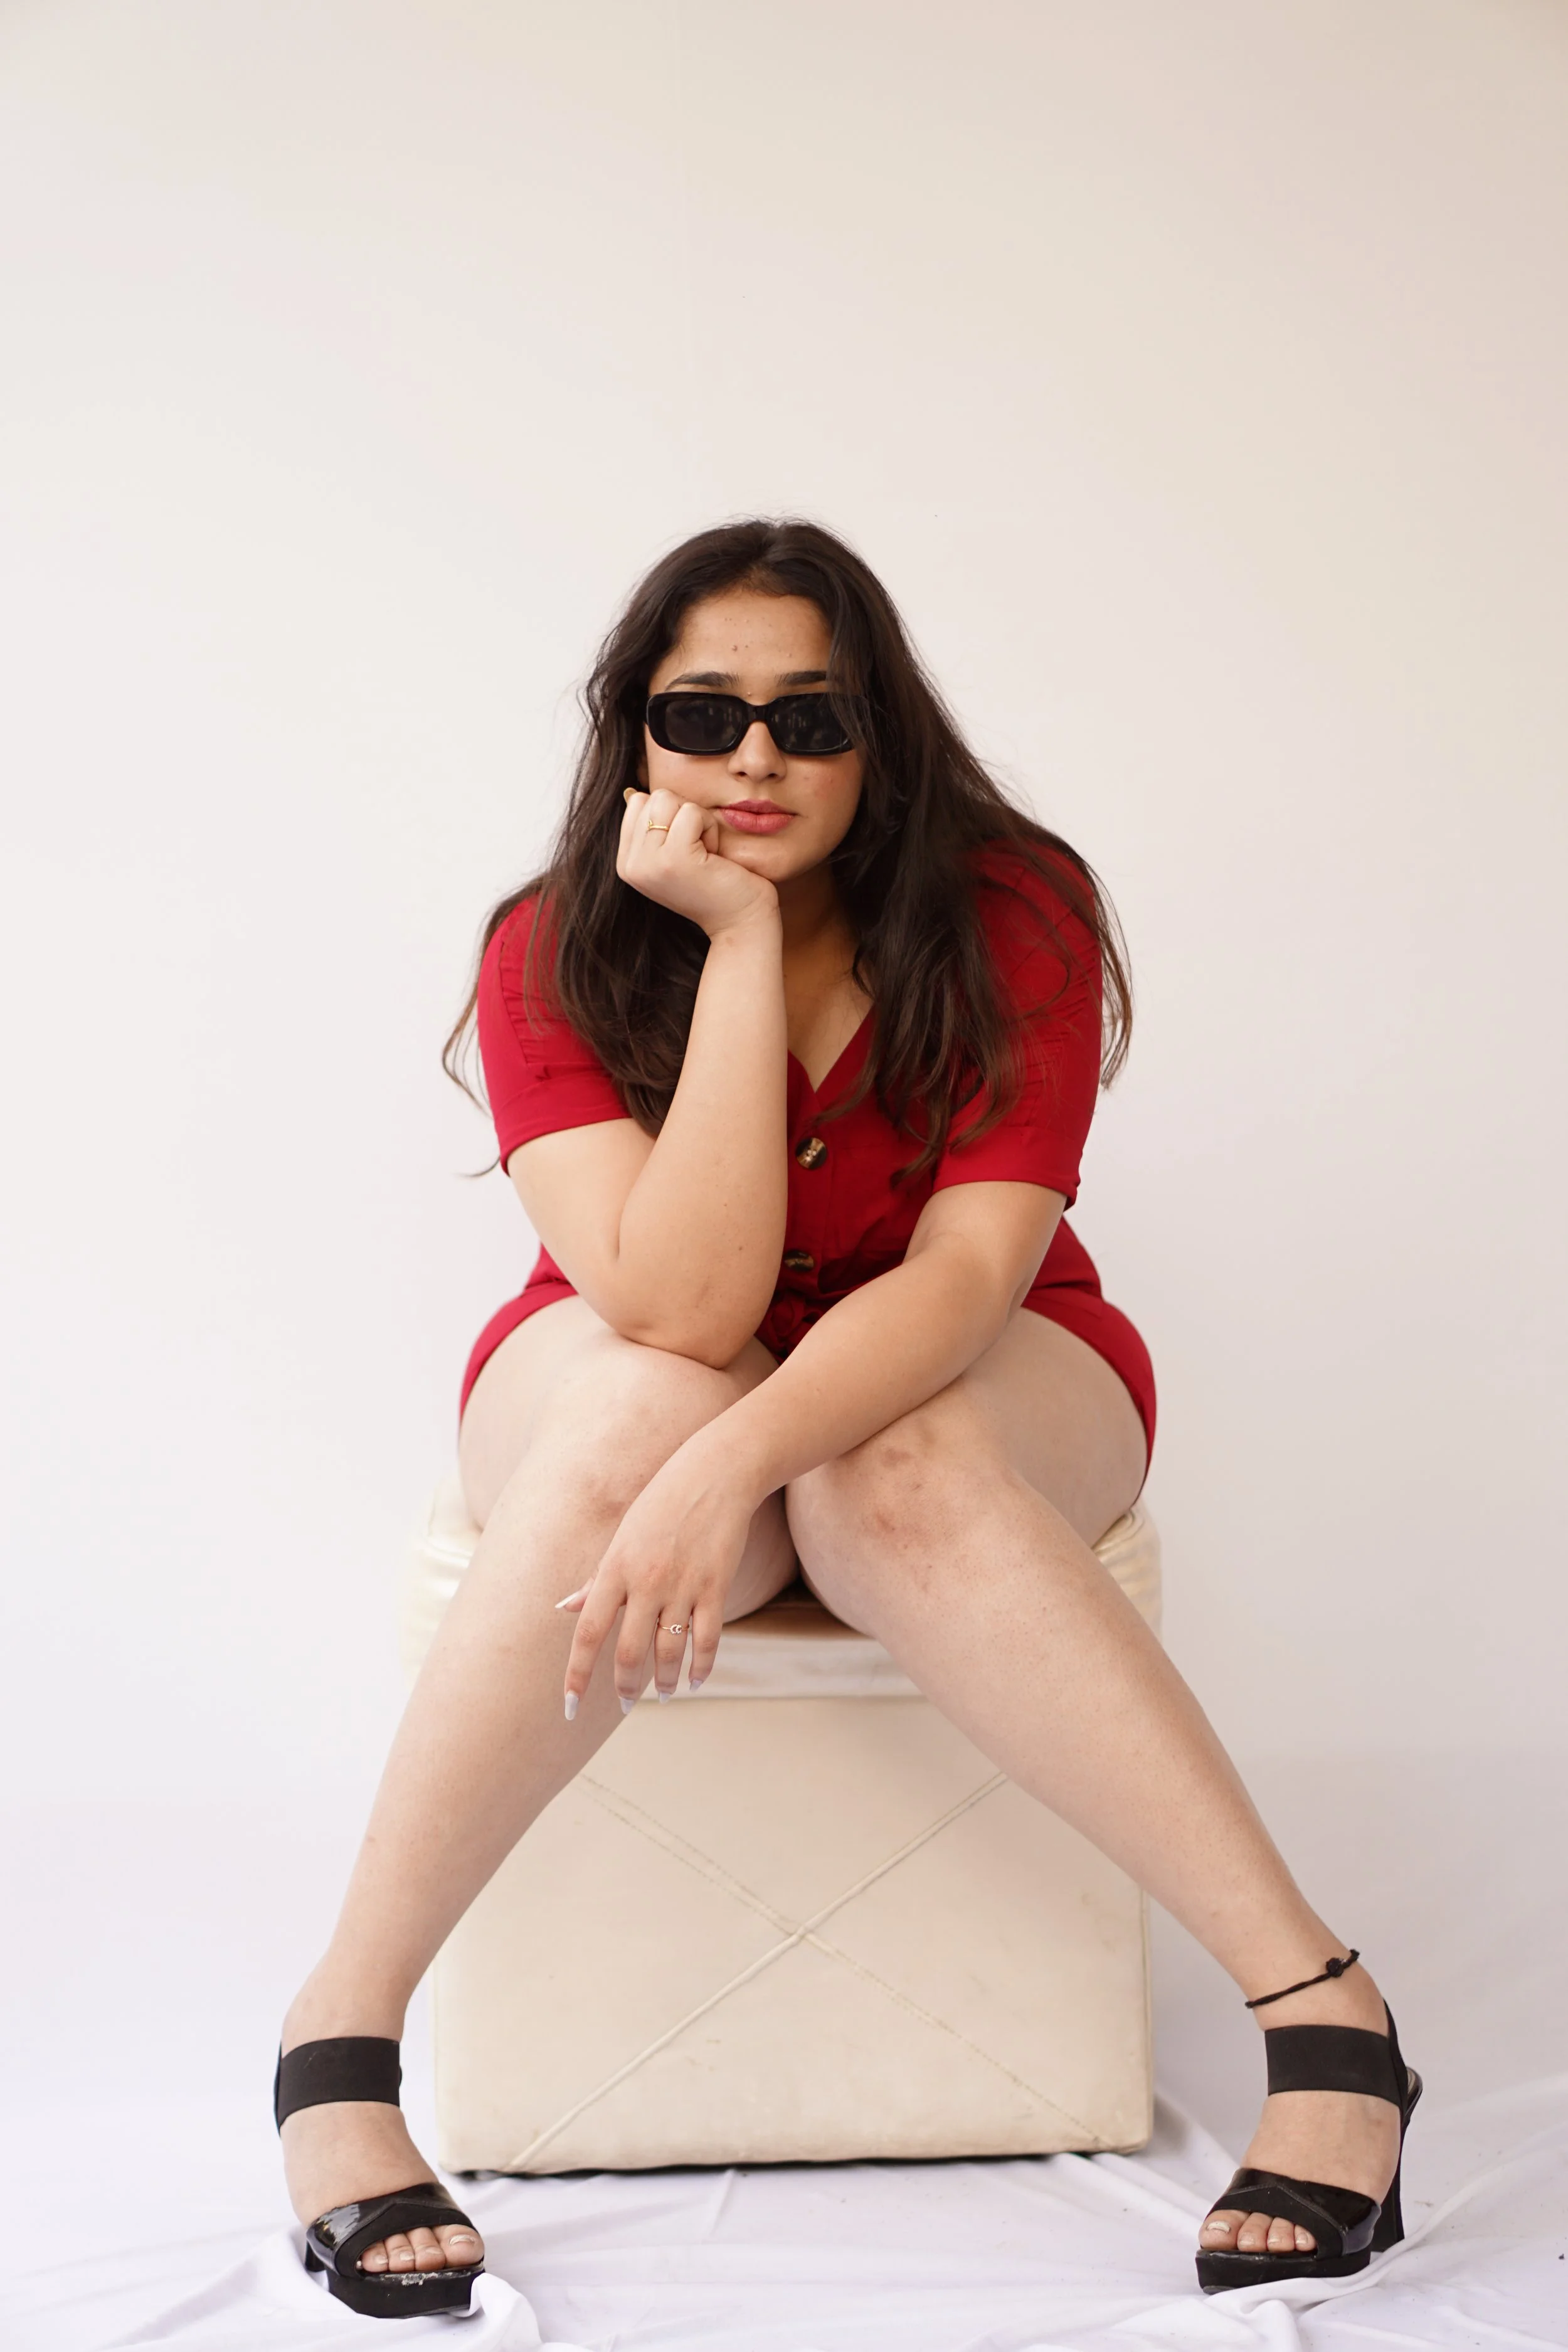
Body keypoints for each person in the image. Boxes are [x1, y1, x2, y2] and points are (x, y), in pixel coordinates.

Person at [274, 519, 1419, 2316]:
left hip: (973, 1363)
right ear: (630, 734)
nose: (752, 759)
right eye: (701, 713)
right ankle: (337, 2041)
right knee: (629, 1408)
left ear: (877, 735)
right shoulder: (547, 944)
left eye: (808, 718)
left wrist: (745, 1455)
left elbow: (967, 1282)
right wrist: (736, 945)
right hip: (639, 1356)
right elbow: (674, 1305)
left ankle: (1323, 2006)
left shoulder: (1010, 903)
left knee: (884, 1473)